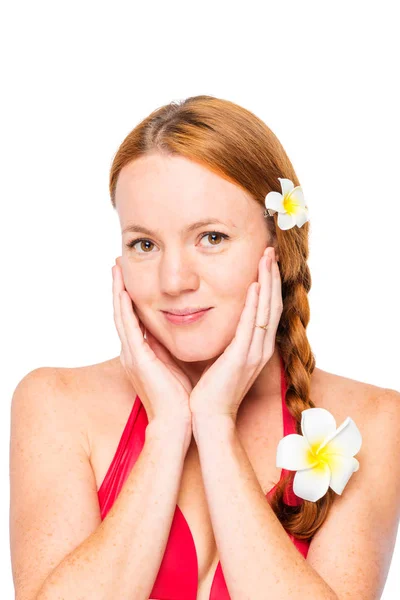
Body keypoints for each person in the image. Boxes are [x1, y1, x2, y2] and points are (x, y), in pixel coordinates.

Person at [10, 95, 400, 600]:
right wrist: (168, 427)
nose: (173, 281)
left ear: (278, 246)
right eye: (144, 244)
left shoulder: (372, 421)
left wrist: (215, 424)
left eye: (211, 238)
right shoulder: (54, 403)